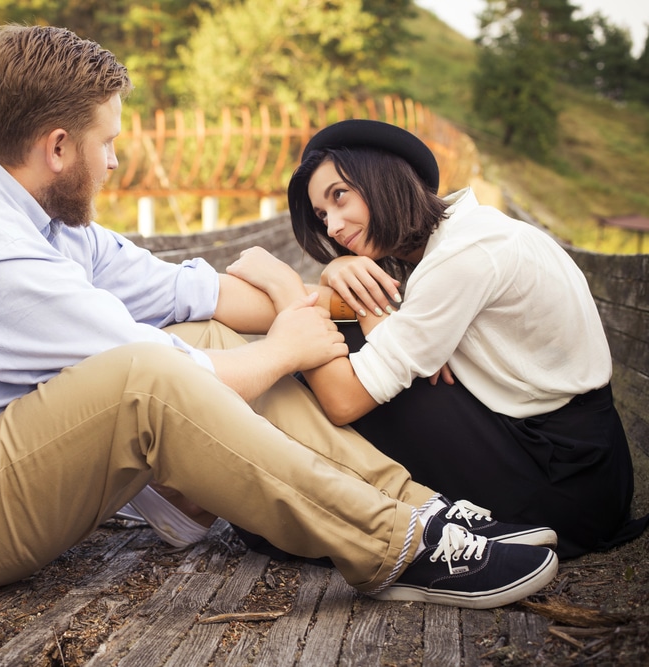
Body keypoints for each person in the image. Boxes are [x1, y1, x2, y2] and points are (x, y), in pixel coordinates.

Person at [0, 25, 561, 609]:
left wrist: (303, 292)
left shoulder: (44, 224)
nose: (113, 162)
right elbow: (161, 379)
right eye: (106, 143)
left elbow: (191, 297)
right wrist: (281, 348)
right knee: (147, 377)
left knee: (198, 335)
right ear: (57, 148)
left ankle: (425, 508)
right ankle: (395, 545)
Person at [227, 119, 648, 560]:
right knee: (348, 326)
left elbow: (343, 400)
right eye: (322, 215)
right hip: (571, 458)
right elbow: (385, 327)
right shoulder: (452, 241)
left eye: (339, 196)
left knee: (337, 351)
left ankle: (274, 503)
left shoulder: (464, 255)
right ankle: (280, 493)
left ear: (382, 177)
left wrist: (287, 288)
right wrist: (338, 277)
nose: (332, 226)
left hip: (563, 485)